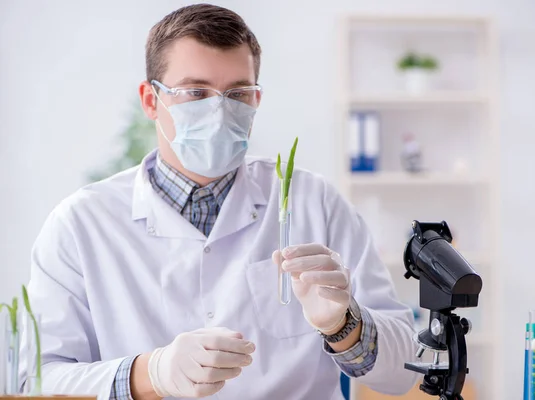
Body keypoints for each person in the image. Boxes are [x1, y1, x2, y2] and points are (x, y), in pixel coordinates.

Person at [24, 4, 418, 399]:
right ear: (150, 100)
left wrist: (343, 327)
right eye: (195, 92)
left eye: (238, 93)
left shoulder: (316, 202)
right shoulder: (80, 223)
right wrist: (150, 373)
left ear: (256, 99)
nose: (219, 109)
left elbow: (402, 373)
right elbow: (37, 380)